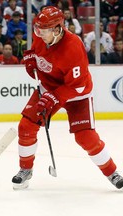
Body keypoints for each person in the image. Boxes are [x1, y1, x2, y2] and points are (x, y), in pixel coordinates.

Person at [12, 6, 123, 190]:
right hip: (49, 87)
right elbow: (39, 56)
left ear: (57, 29)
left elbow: (77, 85)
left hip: (77, 93)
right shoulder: (42, 37)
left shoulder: (73, 47)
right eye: (37, 29)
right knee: (26, 126)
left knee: (86, 138)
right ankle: (25, 169)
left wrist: (55, 98)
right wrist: (32, 61)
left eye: (43, 30)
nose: (38, 34)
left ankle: (112, 172)